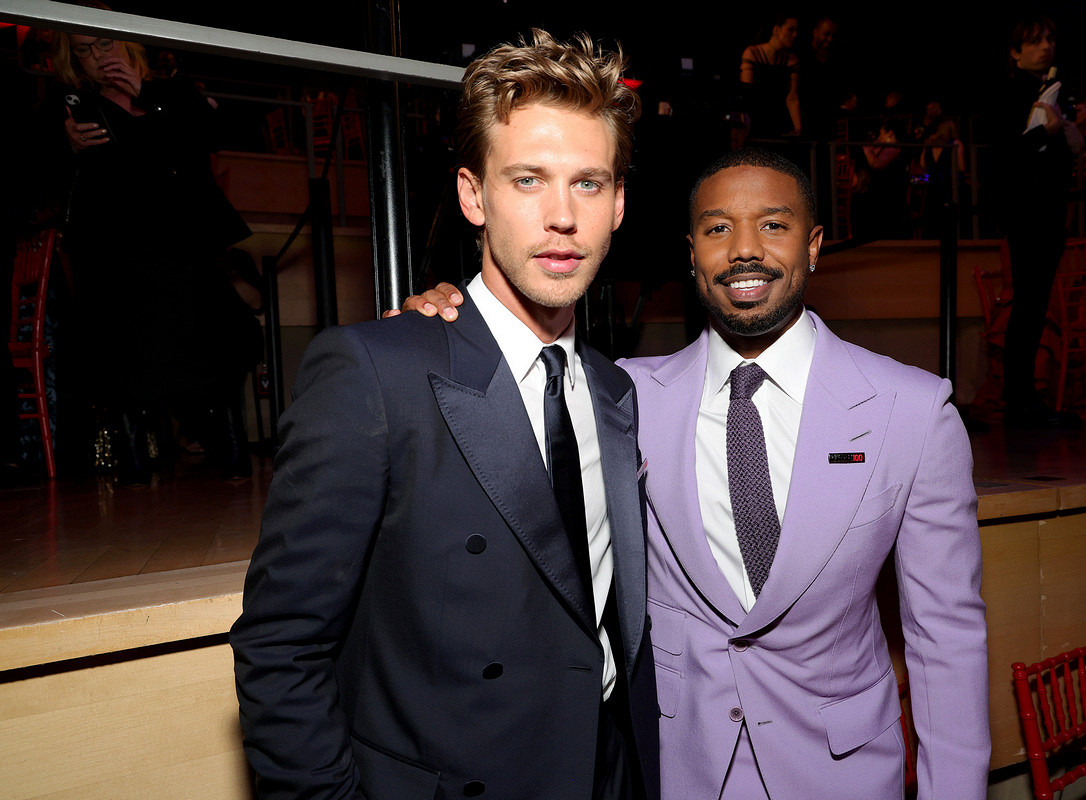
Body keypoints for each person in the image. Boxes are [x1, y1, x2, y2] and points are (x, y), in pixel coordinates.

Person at [404, 147, 991, 798]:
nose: (745, 250)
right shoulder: (619, 396)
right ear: (691, 254)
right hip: (677, 769)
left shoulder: (913, 411)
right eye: (717, 229)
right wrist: (446, 328)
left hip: (843, 773)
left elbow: (947, 637)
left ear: (814, 246)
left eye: (773, 225)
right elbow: (502, 409)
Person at [230, 29, 659, 800]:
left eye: (589, 184)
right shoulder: (374, 372)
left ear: (619, 203)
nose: (562, 216)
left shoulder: (613, 391)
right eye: (527, 180)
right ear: (473, 195)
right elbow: (281, 645)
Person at [45, 6, 256, 480]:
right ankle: (135, 452)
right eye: (84, 49)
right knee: (122, 312)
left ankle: (225, 439)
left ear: (125, 41)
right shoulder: (73, 105)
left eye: (104, 42)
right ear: (72, 58)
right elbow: (44, 175)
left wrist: (146, 95)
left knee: (216, 317)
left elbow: (216, 134)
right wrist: (70, 147)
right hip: (116, 247)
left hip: (184, 239)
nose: (98, 55)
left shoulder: (170, 92)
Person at [994, 15, 1080, 426]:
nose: (1046, 46)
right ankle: (1020, 401)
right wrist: (1049, 132)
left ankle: (1024, 398)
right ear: (1016, 52)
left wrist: (1070, 133)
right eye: (1035, 41)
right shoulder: (1010, 91)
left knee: (1036, 305)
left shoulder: (1050, 89)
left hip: (1049, 208)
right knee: (1028, 305)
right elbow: (1006, 154)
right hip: (1026, 211)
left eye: (1049, 39)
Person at [739, 14, 802, 138]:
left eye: (796, 31)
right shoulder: (752, 53)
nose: (795, 35)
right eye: (790, 30)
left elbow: (792, 97)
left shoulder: (791, 60)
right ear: (776, 29)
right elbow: (747, 93)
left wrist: (798, 127)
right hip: (755, 120)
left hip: (779, 121)